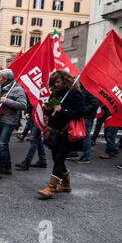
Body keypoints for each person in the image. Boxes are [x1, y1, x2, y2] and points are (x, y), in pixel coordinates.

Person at [38, 70, 85, 199]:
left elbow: (81, 112)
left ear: (65, 81)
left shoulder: (74, 93)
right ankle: (66, 184)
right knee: (55, 157)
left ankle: (51, 188)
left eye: (58, 82)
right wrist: (47, 109)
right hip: (54, 131)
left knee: (59, 158)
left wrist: (63, 110)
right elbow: (49, 113)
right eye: (54, 82)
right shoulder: (54, 93)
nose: (56, 84)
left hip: (67, 132)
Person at [0, 69, 27, 181]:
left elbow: (23, 105)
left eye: (0, 77)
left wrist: (7, 101)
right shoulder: (1, 88)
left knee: (2, 143)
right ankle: (8, 167)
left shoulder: (17, 89)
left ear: (6, 79)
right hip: (0, 119)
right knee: (4, 144)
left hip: (9, 121)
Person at [66, 85, 99, 163]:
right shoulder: (81, 88)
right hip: (79, 115)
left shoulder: (90, 89)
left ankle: (86, 156)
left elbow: (95, 104)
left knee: (85, 136)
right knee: (76, 134)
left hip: (86, 116)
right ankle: (74, 153)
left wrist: (83, 110)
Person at [15, 98, 47, 171]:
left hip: (38, 115)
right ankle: (42, 160)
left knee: (34, 139)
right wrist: (28, 111)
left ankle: (27, 162)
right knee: (37, 139)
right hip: (33, 114)